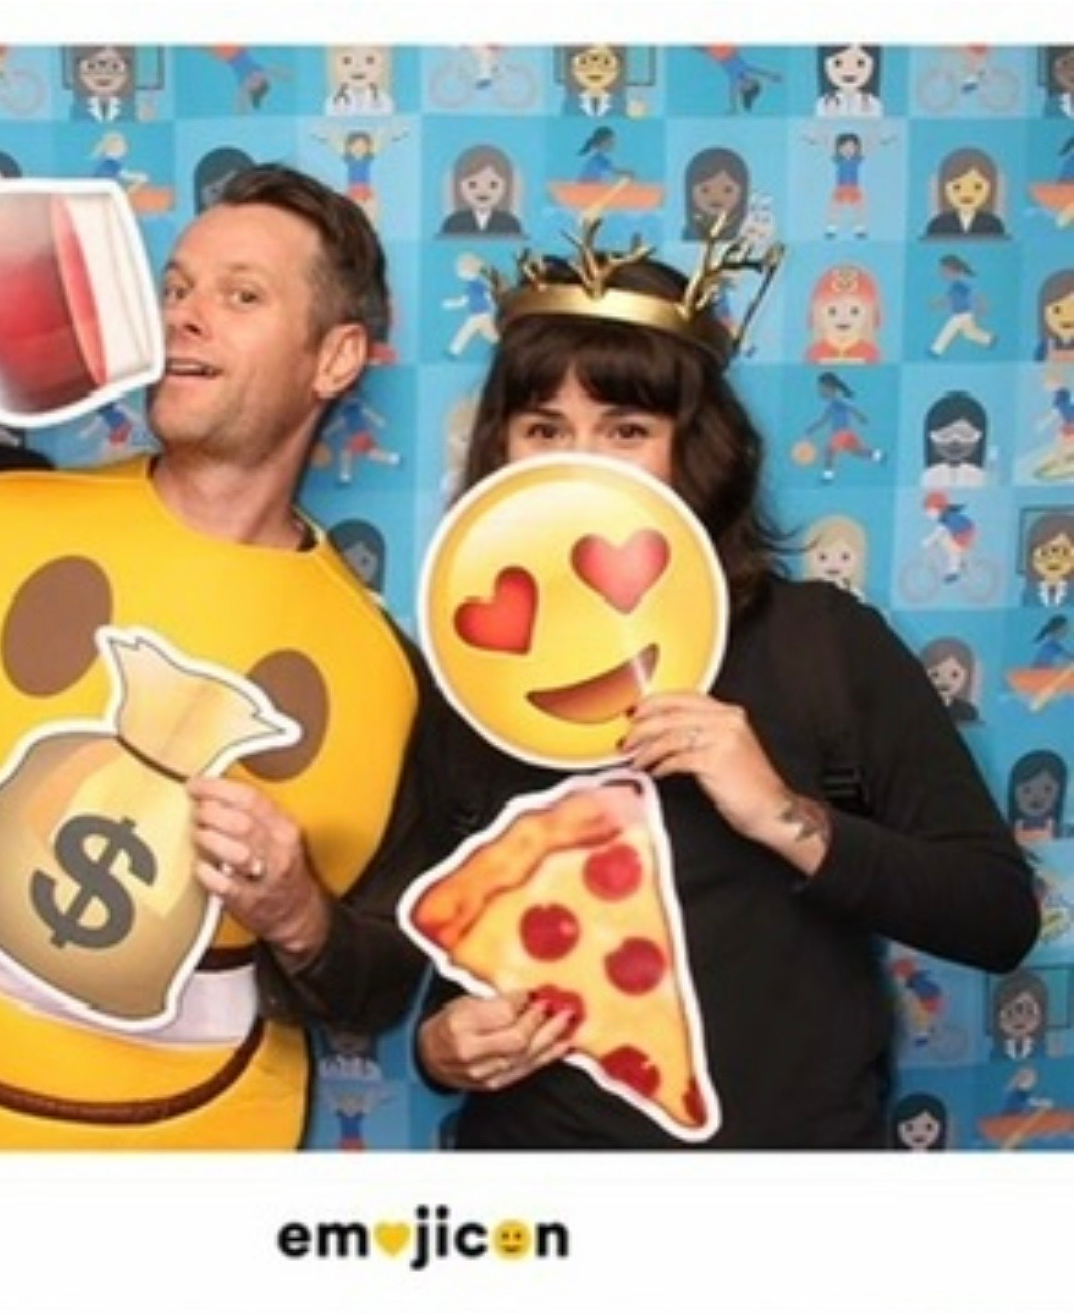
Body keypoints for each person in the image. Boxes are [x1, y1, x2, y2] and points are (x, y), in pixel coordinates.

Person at [0, 165, 435, 1148]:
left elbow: (381, 984)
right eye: (176, 288)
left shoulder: (376, 674)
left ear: (336, 359)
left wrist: (298, 912)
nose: (186, 317)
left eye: (241, 295)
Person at [409, 231, 1039, 1149]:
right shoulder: (461, 668)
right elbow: (446, 930)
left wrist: (780, 812)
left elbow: (997, 916)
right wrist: (439, 1048)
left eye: (626, 429)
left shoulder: (821, 641)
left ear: (692, 450)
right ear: (502, 448)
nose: (578, 461)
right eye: (545, 428)